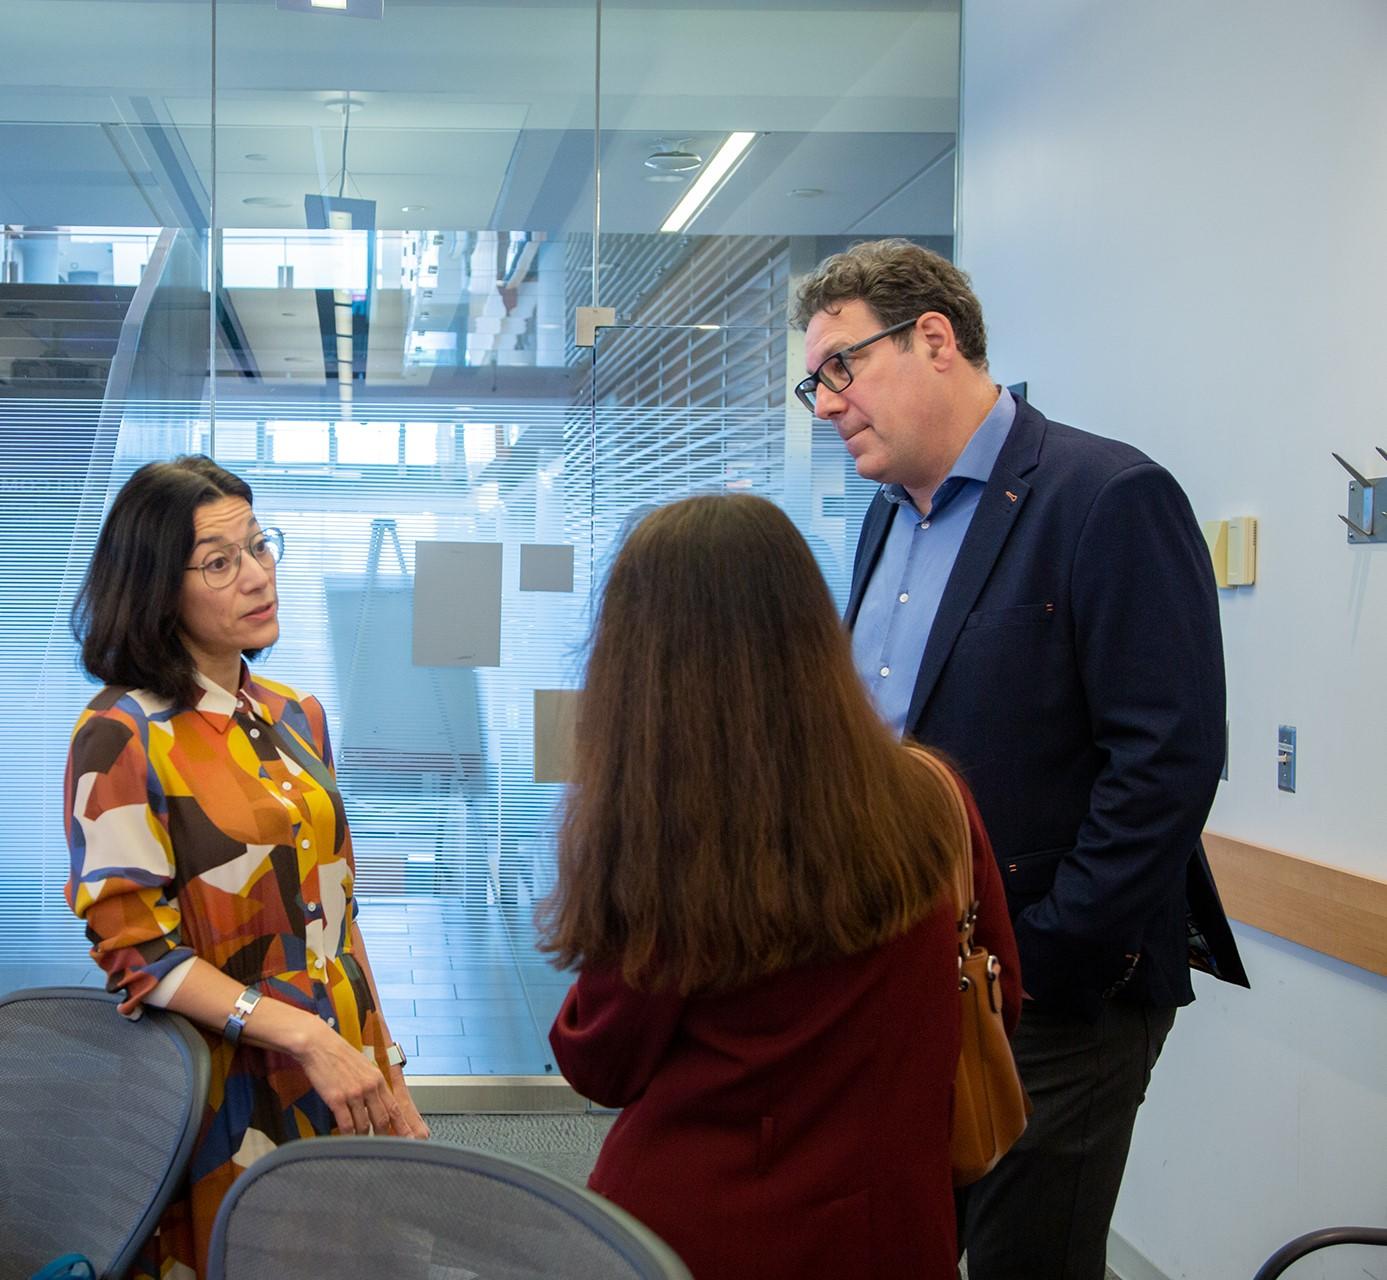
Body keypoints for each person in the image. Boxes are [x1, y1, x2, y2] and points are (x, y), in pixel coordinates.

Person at [792, 239, 1250, 1280]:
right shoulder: (880, 521)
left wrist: (1045, 955)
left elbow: (1167, 757)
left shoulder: (1104, 495)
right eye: (811, 381)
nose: (822, 404)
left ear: (934, 340)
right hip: (912, 975)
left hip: (1050, 989)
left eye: (838, 369)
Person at [542, 493, 1019, 1279]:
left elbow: (602, 1063)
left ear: (637, 663)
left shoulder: (671, 835)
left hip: (695, 1236)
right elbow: (999, 983)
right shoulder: (932, 799)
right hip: (891, 1230)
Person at [64, 455, 429, 1280]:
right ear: (159, 587)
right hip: (227, 1084)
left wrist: (383, 1063)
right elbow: (138, 957)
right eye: (221, 562)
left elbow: (338, 913)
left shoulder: (295, 714)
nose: (258, 576)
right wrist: (302, 1034)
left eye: (259, 548)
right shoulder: (121, 735)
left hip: (338, 1063)